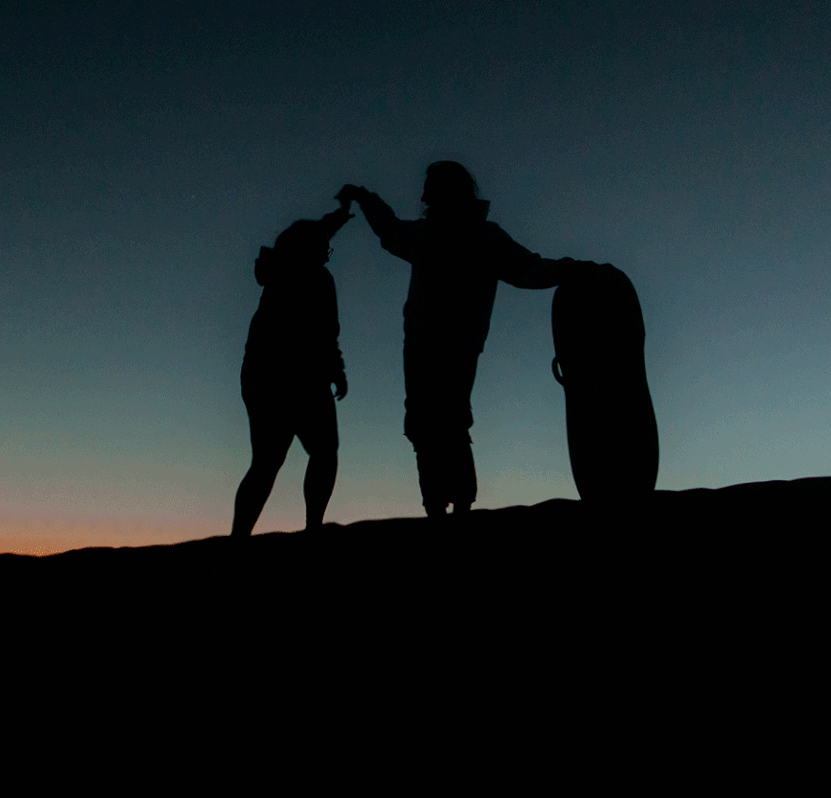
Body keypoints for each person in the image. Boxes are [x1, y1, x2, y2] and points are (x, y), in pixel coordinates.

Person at [338, 163, 581, 518]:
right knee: (433, 423)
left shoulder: (478, 238)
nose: (422, 197)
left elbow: (529, 269)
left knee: (441, 422)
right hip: (434, 343)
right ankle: (444, 505)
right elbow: (390, 230)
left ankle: (454, 505)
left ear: (445, 193)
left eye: (430, 189)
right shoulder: (448, 236)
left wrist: (571, 270)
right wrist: (364, 197)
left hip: (447, 344)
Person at [231, 203, 356, 538]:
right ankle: (313, 528)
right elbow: (324, 333)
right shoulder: (314, 277)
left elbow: (311, 234)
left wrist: (338, 218)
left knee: (267, 462)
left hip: (261, 377)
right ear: (310, 249)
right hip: (299, 378)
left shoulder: (283, 268)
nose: (327, 252)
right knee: (322, 452)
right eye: (322, 248)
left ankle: (238, 538)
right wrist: (336, 370)